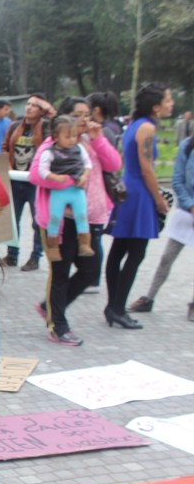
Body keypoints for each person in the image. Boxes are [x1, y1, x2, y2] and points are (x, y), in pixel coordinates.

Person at [30, 96, 121, 346]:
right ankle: (58, 325)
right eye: (79, 115)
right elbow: (36, 176)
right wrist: (71, 179)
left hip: (89, 219)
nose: (84, 120)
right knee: (60, 272)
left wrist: (98, 139)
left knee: (90, 269)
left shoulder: (92, 142)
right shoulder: (53, 144)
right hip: (59, 222)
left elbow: (114, 164)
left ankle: (49, 306)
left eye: (87, 114)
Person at [104, 83, 174, 330]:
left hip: (129, 188)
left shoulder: (135, 124)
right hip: (139, 193)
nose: (171, 104)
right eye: (168, 100)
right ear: (156, 107)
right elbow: (147, 169)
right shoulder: (147, 127)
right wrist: (159, 199)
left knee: (119, 250)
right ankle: (118, 308)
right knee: (135, 254)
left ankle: (113, 306)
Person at [129, 134, 194, 321]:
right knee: (167, 257)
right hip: (186, 212)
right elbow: (177, 180)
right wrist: (190, 205)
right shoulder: (187, 146)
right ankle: (149, 297)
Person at [2, 93, 55, 271]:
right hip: (15, 179)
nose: (29, 107)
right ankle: (12, 255)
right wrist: (7, 164)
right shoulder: (15, 125)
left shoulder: (48, 127)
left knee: (37, 222)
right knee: (12, 219)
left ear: (43, 109)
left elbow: (59, 131)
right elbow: (5, 147)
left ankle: (35, 257)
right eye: (28, 103)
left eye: (35, 105)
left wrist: (49, 111)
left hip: (35, 183)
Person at [38, 115, 93, 262]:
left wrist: (84, 177)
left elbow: (88, 164)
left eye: (74, 136)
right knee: (55, 217)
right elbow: (42, 171)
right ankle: (53, 247)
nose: (72, 140)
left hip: (77, 189)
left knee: (81, 215)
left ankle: (85, 244)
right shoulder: (49, 152)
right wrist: (55, 177)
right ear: (56, 136)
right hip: (59, 191)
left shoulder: (79, 148)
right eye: (67, 136)